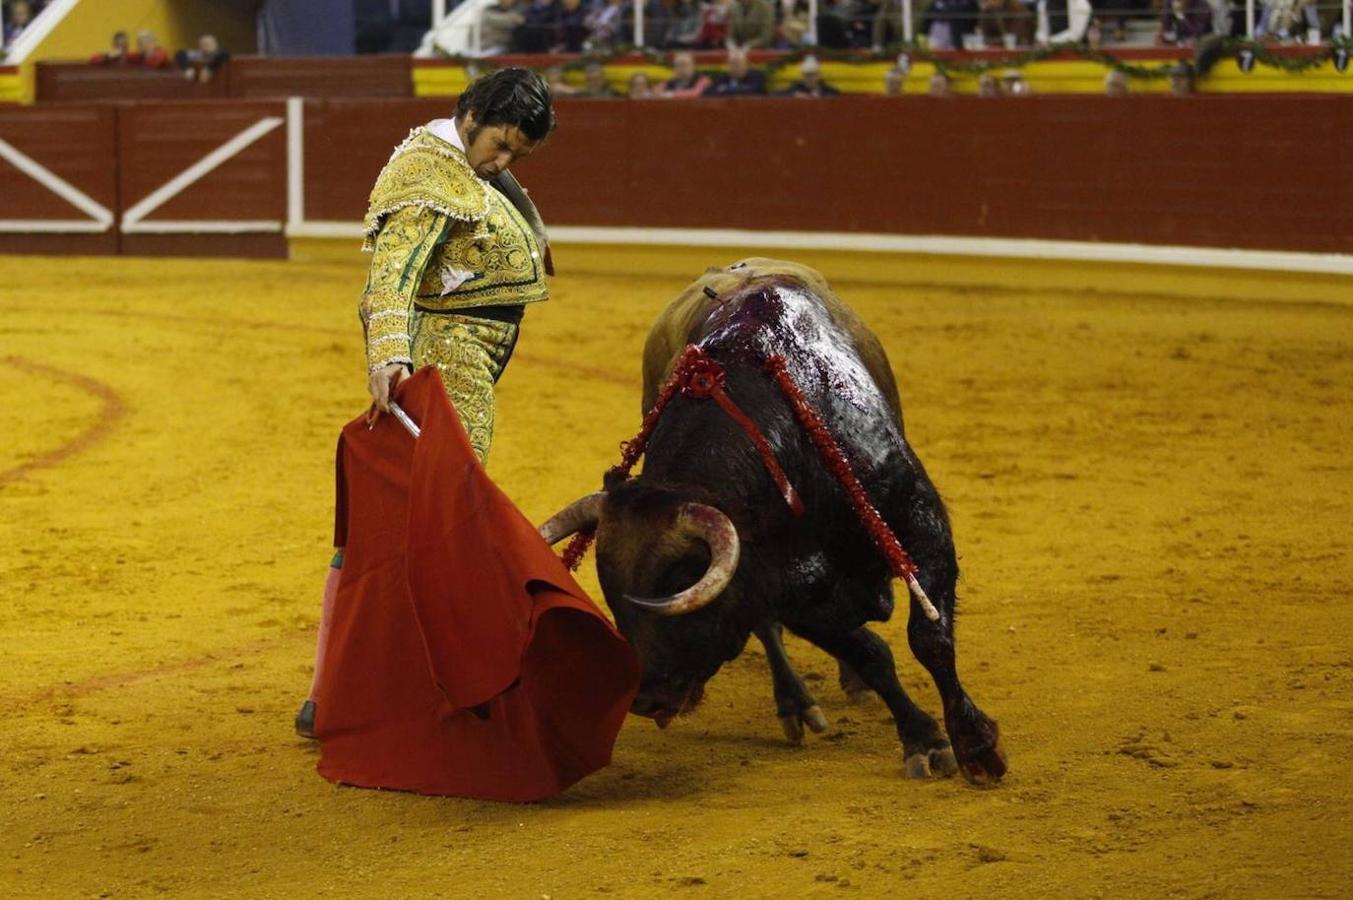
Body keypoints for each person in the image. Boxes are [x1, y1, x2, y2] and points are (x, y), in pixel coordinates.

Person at [295, 68, 557, 738]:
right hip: (445, 355)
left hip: (467, 353)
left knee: (419, 515)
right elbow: (390, 275)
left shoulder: (460, 164)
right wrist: (388, 357)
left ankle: (349, 686)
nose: (501, 164)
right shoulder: (427, 174)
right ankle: (374, 686)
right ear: (469, 115)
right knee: (436, 518)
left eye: (516, 157)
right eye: (498, 145)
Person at [703, 46, 767, 95]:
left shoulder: (756, 77)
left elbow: (752, 91)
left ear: (746, 64)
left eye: (739, 63)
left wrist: (725, 89)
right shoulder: (721, 78)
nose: (736, 66)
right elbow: (709, 92)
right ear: (728, 65)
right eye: (733, 63)